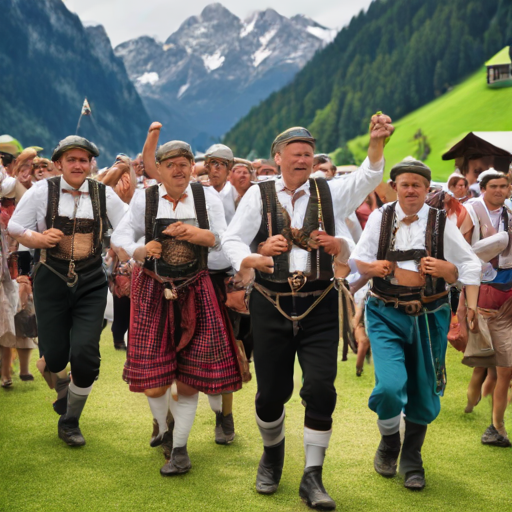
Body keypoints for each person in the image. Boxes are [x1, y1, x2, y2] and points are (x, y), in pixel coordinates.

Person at [221, 115, 393, 510]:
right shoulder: (259, 194)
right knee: (271, 395)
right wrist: (254, 255)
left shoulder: (329, 191)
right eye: (297, 154)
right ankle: (273, 454)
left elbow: (368, 175)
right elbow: (232, 238)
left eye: (309, 155)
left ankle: (312, 477)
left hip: (317, 302)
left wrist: (376, 142)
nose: (304, 160)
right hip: (271, 301)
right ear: (278, 157)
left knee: (320, 389)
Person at [111, 123, 242, 475]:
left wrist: (205, 236)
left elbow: (226, 240)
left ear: (191, 167)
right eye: (172, 164)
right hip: (152, 288)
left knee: (188, 380)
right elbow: (122, 234)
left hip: (196, 289)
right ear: (161, 169)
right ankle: (165, 428)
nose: (179, 169)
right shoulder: (146, 196)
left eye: (185, 163)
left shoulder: (206, 196)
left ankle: (179, 449)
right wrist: (139, 250)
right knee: (154, 385)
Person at [351, 159, 481, 491]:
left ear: (427, 189)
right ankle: (390, 441)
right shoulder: (380, 218)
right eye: (405, 184)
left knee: (424, 392)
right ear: (394, 187)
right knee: (390, 387)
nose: (411, 190)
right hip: (384, 312)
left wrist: (448, 270)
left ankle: (412, 457)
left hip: (429, 316)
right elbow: (358, 261)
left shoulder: (440, 221)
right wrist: (371, 269)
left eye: (417, 185)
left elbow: (468, 265)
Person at [7, 135, 127, 446]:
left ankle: (70, 420)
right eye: (71, 159)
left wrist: (127, 248)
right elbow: (15, 227)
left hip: (90, 279)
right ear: (59, 163)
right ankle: (58, 378)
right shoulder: (41, 191)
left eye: (83, 160)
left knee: (86, 354)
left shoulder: (104, 194)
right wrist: (36, 239)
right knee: (57, 355)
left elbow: (128, 226)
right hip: (50, 277)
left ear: (90, 165)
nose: (77, 164)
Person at [460, 169, 512, 446]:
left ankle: (495, 426)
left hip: (503, 292)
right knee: (489, 366)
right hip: (482, 294)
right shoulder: (470, 210)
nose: (500, 190)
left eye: (504, 186)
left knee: (500, 368)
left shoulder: (509, 212)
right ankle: (491, 422)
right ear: (482, 187)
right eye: (494, 186)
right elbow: (460, 252)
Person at [205, 144, 236, 224]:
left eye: (223, 164)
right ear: (207, 167)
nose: (217, 168)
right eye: (214, 163)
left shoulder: (234, 192)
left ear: (228, 170)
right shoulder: (199, 191)